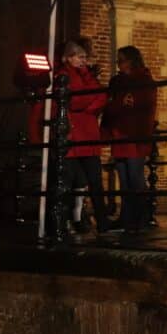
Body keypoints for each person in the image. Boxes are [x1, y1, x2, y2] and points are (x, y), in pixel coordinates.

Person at [56, 40, 111, 233]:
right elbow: (73, 102)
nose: (84, 61)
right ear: (69, 57)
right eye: (80, 57)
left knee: (96, 182)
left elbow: (101, 97)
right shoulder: (63, 75)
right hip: (74, 135)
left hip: (88, 134)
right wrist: (89, 101)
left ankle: (102, 222)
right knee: (69, 182)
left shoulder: (87, 75)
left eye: (85, 57)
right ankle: (65, 222)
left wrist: (87, 104)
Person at [103, 46, 157, 233]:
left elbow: (143, 105)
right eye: (118, 60)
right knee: (124, 179)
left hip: (135, 135)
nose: (119, 64)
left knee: (135, 176)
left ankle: (142, 217)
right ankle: (127, 217)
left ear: (132, 61)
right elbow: (110, 105)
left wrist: (122, 104)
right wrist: (119, 104)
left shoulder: (144, 80)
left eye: (122, 60)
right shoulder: (117, 81)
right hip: (120, 133)